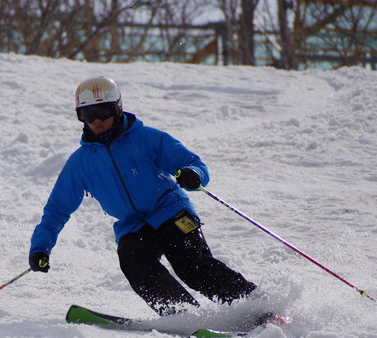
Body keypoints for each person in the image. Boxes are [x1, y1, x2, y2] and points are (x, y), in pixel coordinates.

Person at [28, 76, 256, 316]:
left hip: (171, 212)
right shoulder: (81, 163)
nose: (96, 121)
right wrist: (40, 248)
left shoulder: (146, 138)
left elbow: (193, 163)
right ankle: (183, 315)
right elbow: (57, 209)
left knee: (192, 265)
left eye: (102, 111)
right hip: (133, 226)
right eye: (87, 115)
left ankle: (253, 305)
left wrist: (193, 174)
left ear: (117, 109)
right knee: (132, 260)